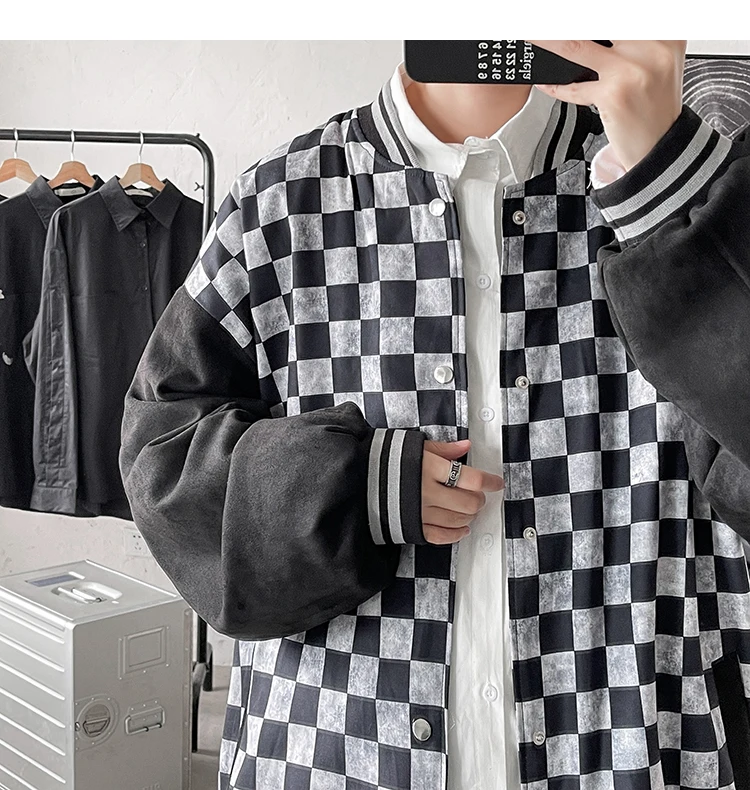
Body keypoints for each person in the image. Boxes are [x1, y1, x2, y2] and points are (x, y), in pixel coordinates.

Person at [120, 40, 750, 790]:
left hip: (642, 741)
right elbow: (160, 458)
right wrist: (353, 487)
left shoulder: (683, 192)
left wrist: (671, 194)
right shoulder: (281, 202)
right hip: (334, 749)